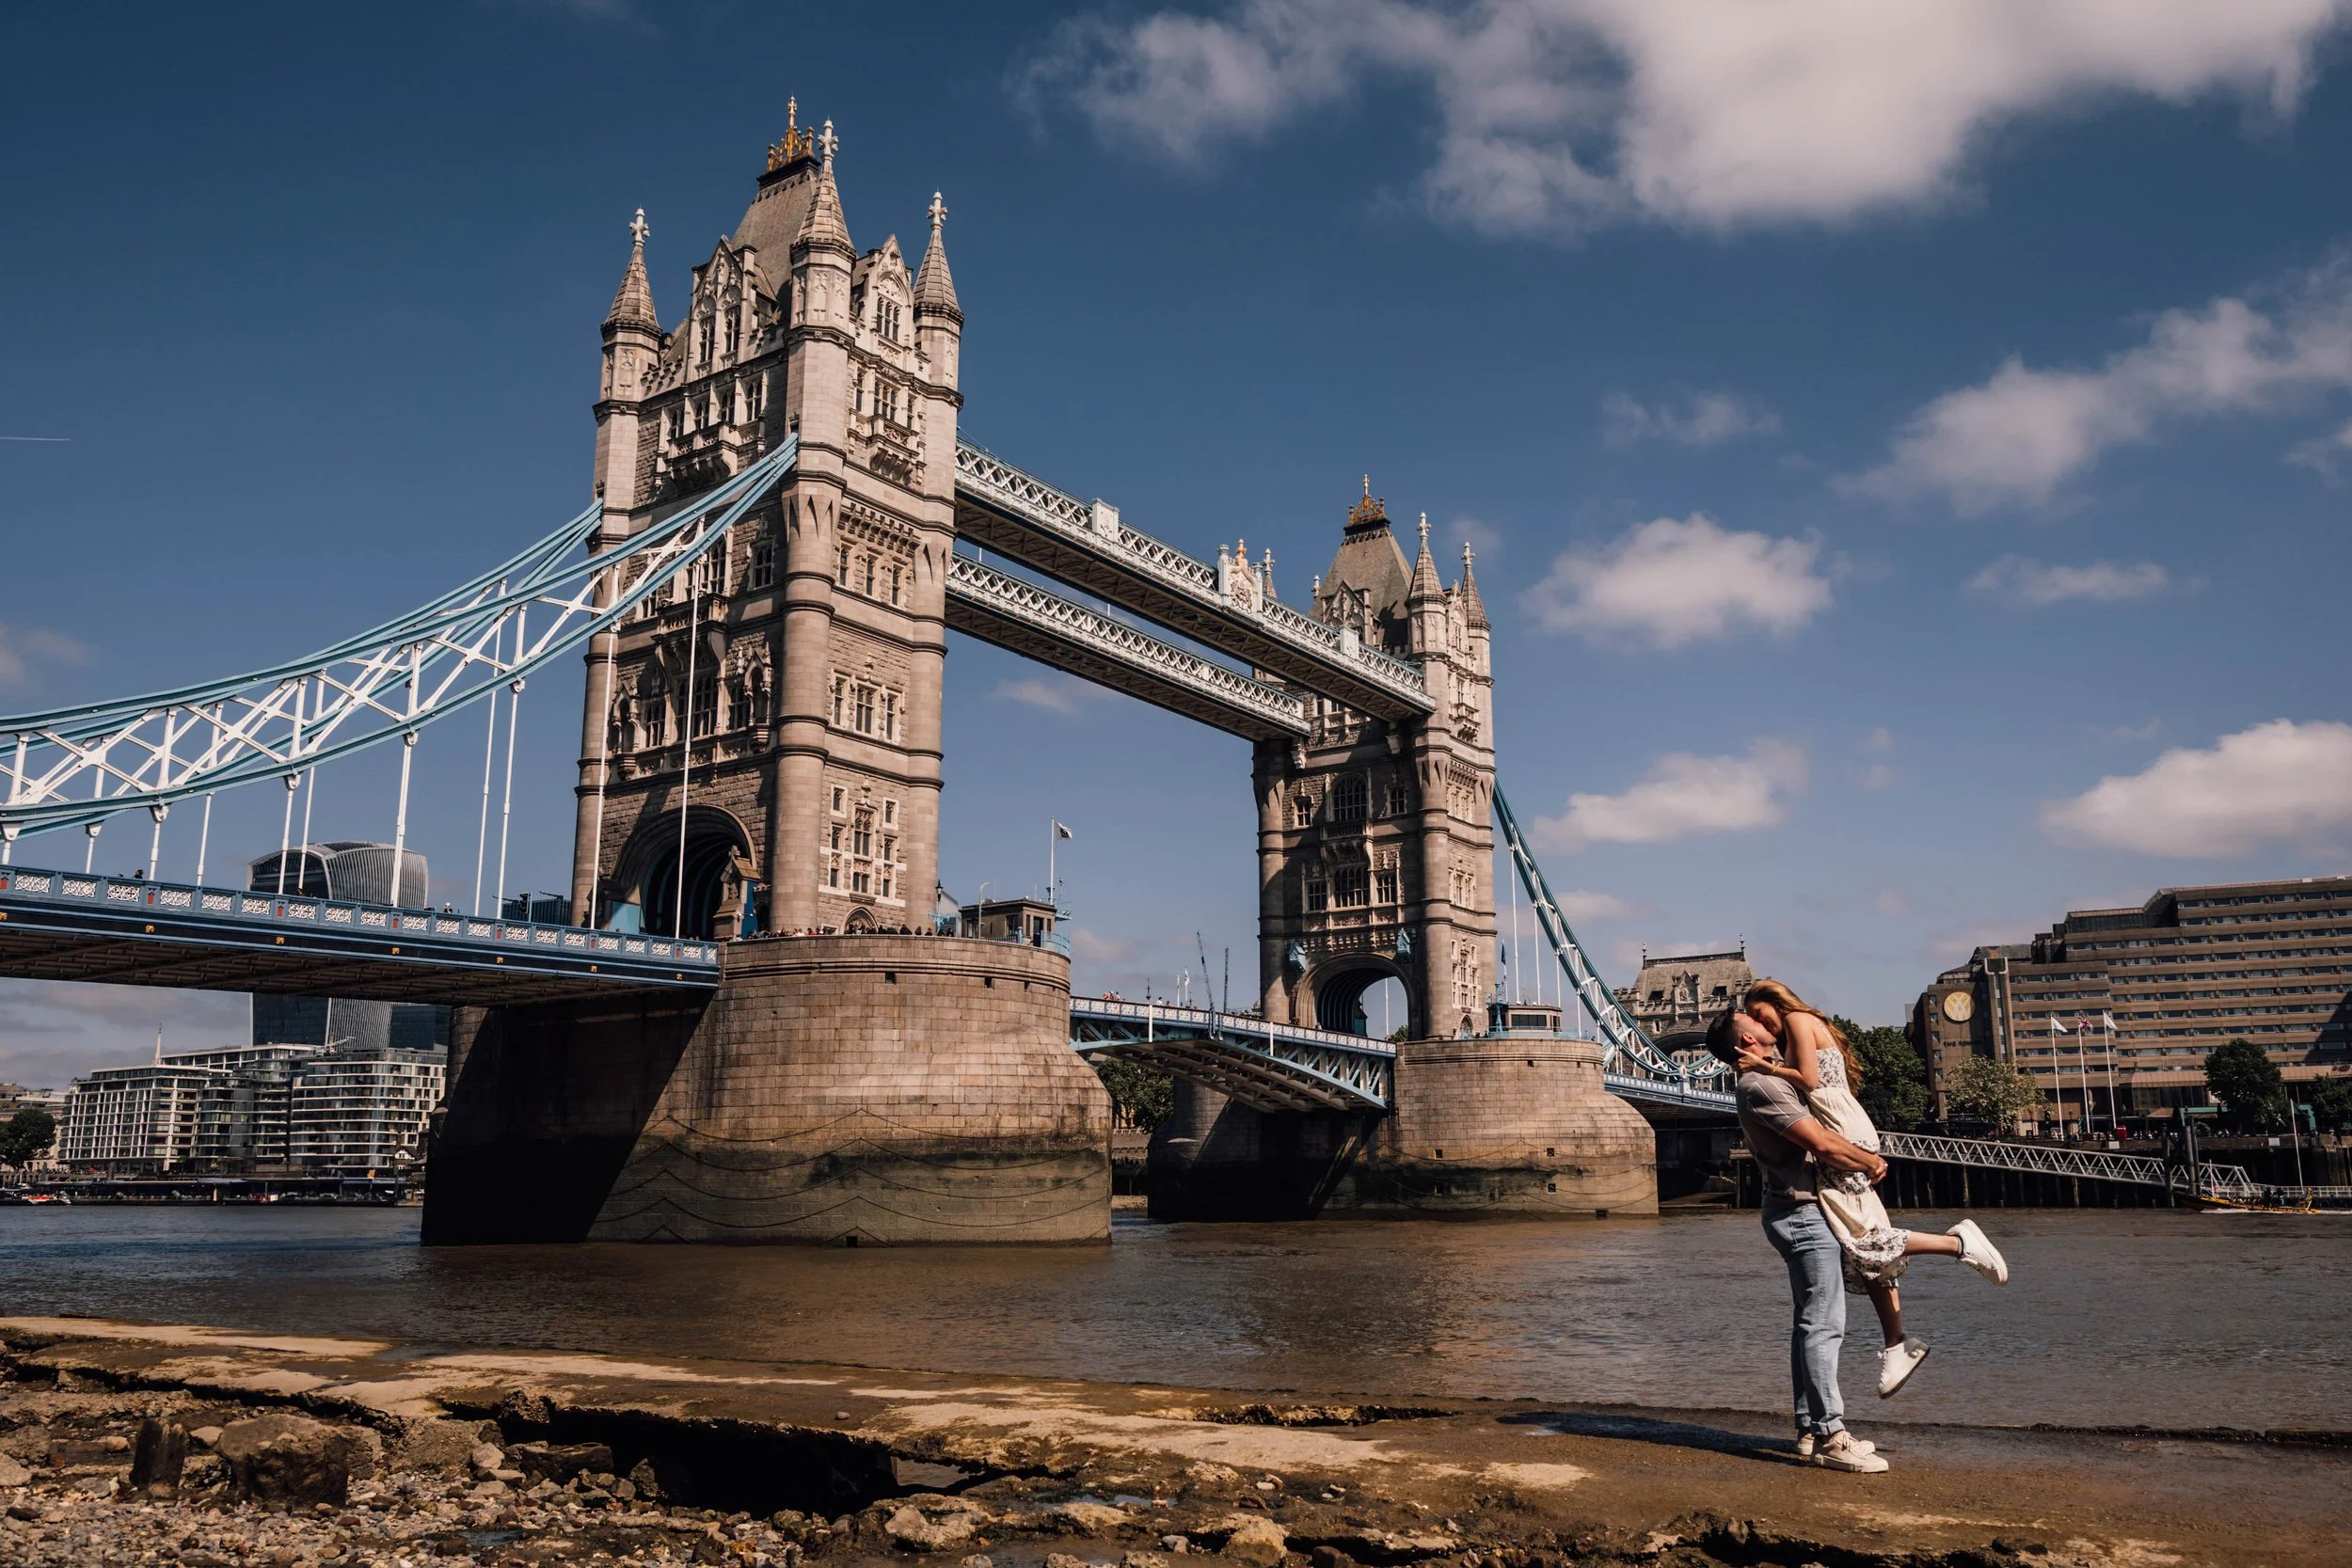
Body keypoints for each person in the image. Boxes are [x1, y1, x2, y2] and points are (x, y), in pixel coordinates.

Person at [1737, 980, 2010, 1404]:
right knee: (1863, 1245)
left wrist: (1764, 1067)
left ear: (1775, 1002)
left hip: (1839, 1134)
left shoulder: (1796, 1019)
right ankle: (1897, 1342)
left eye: (1758, 1013)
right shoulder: (1798, 1027)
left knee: (1862, 1242)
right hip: (1844, 1125)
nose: (1758, 1022)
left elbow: (1808, 1079)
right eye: (1751, 1020)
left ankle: (1958, 1243)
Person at [1708, 1006, 1888, 1472]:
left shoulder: (1763, 1078)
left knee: (1808, 1324)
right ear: (1746, 1041)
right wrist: (1868, 1161)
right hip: (1802, 1213)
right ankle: (1832, 1435)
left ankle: (1808, 1429)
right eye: (1749, 1018)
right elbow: (1822, 1144)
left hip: (1794, 1210)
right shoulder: (1761, 1086)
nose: (1763, 1021)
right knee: (1823, 1325)